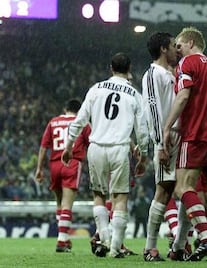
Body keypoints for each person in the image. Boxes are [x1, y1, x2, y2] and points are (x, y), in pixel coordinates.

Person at [61, 52, 149, 258]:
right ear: (129, 69)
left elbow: (80, 119)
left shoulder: (96, 89)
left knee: (99, 195)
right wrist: (143, 154)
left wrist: (69, 145)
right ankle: (115, 248)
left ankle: (105, 237)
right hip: (119, 148)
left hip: (96, 147)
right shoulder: (134, 94)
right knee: (120, 197)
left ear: (111, 67)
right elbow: (142, 128)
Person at [162, 26, 207, 262]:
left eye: (179, 45)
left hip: (196, 133)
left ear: (191, 42)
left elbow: (183, 97)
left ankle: (205, 237)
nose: (177, 51)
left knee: (182, 188)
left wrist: (167, 126)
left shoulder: (188, 63)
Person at [141, 31, 180, 262]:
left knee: (184, 190)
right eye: (174, 45)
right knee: (163, 191)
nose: (177, 49)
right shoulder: (153, 74)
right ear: (163, 49)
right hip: (167, 140)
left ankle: (180, 243)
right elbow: (153, 111)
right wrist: (160, 144)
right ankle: (150, 247)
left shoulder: (171, 73)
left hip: (179, 137)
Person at [35, 99, 90, 253]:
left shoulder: (53, 122)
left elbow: (43, 146)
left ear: (65, 108)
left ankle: (64, 239)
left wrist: (39, 168)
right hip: (71, 163)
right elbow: (91, 143)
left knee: (59, 203)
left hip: (54, 164)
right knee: (67, 204)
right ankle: (61, 240)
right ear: (79, 111)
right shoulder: (82, 122)